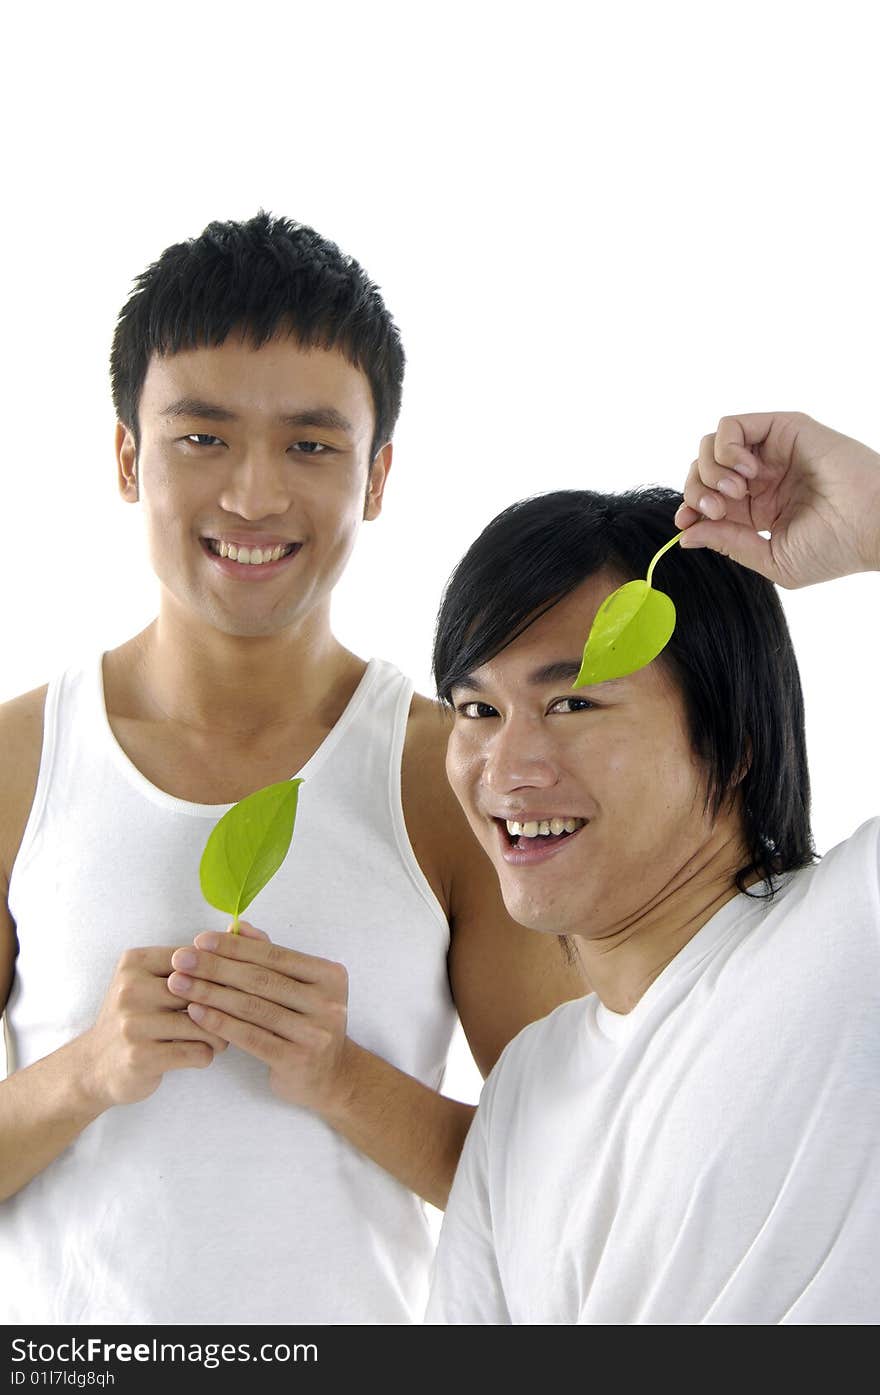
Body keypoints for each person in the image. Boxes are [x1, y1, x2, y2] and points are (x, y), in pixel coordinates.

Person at [0, 212, 586, 1325]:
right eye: (202, 437)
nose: (255, 497)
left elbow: (562, 1195)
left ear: (375, 477)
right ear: (129, 457)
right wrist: (84, 1073)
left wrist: (340, 1076)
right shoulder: (16, 764)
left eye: (311, 445)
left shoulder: (449, 778)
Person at [425, 411, 880, 1324]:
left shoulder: (854, 934)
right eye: (475, 709)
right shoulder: (523, 1088)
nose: (505, 769)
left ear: (737, 736)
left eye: (573, 700)